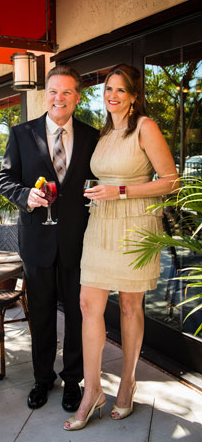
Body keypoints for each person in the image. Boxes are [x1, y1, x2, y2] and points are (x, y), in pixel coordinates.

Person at [64, 63, 179, 431]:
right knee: (87, 304)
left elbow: (171, 182)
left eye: (120, 90)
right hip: (100, 225)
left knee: (130, 305)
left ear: (133, 97)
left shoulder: (144, 127)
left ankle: (127, 383)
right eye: (108, 89)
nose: (111, 96)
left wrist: (121, 190)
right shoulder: (104, 132)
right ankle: (93, 391)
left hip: (134, 225)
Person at [0, 65, 99, 412]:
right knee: (40, 313)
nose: (59, 98)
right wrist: (25, 195)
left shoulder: (90, 136)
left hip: (78, 240)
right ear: (46, 94)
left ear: (77, 97)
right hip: (36, 241)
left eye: (67, 92)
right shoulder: (21, 133)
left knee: (76, 314)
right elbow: (4, 180)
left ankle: (74, 381)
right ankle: (43, 379)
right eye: (54, 91)